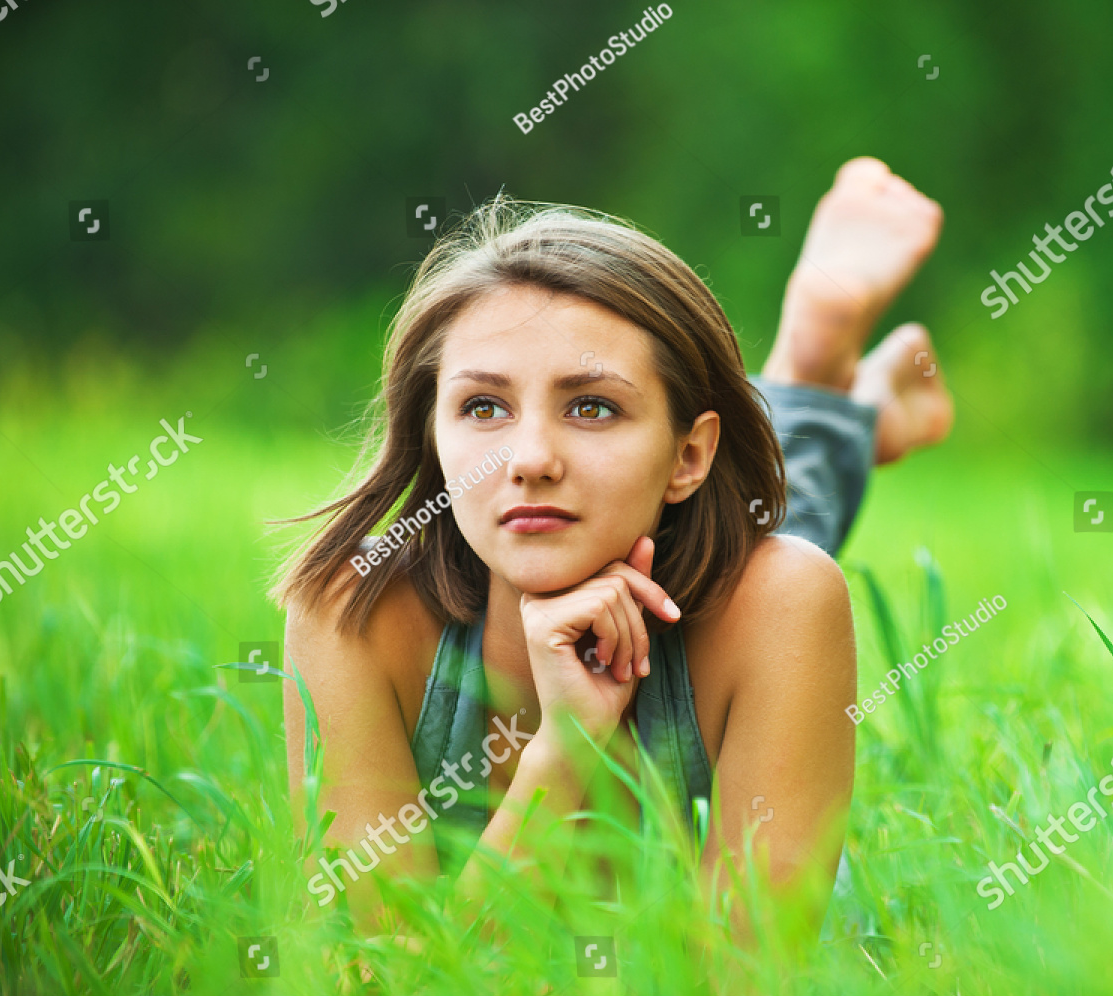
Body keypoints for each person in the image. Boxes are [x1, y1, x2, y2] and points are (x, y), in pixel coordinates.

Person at [274, 157, 952, 940]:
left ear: (688, 454)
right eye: (483, 405)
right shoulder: (349, 611)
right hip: (667, 516)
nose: (527, 459)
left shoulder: (781, 601)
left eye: (591, 407)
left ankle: (814, 368)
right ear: (434, 431)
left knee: (767, 535)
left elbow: (744, 985)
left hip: (713, 547)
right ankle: (831, 386)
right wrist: (562, 752)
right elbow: (374, 995)